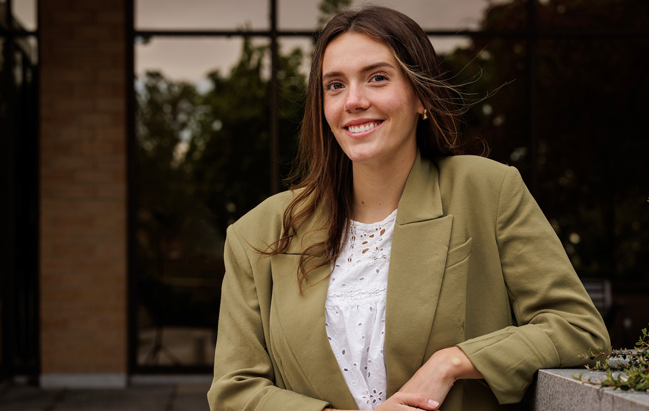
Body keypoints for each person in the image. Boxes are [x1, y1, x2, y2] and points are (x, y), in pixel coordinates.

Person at [207, 6, 610, 411]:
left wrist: (453, 361)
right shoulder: (257, 233)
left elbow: (578, 328)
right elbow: (234, 390)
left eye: (377, 78)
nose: (354, 101)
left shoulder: (487, 191)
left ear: (421, 97)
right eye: (335, 85)